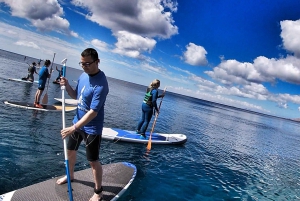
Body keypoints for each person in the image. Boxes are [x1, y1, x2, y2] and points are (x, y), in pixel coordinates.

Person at [56, 48, 109, 201]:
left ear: (97, 62)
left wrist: (74, 127)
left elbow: (93, 112)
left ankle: (98, 191)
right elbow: (76, 96)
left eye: (87, 63)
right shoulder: (83, 75)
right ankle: (70, 175)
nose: (84, 66)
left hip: (92, 128)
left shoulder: (101, 84)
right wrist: (67, 86)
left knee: (93, 161)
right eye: (82, 63)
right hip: (77, 123)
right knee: (70, 151)